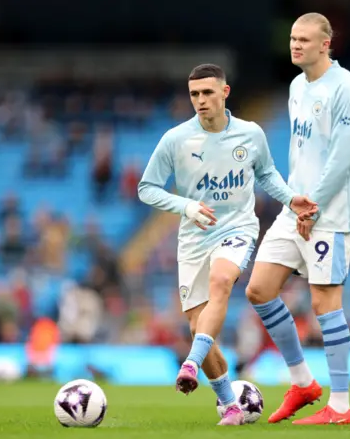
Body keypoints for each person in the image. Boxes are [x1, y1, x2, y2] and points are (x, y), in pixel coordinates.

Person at [137, 64, 317, 426]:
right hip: (192, 238)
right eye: (194, 94)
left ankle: (189, 362)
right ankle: (230, 405)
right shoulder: (176, 139)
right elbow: (147, 188)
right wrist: (186, 206)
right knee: (196, 326)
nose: (200, 101)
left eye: (207, 93)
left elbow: (266, 174)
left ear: (225, 92)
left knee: (222, 282)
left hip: (236, 229)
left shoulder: (250, 134)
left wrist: (290, 199)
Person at [245, 12, 350, 425]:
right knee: (260, 289)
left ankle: (340, 406)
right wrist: (297, 202)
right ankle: (302, 382)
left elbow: (344, 157)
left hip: (330, 215)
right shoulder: (297, 86)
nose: (295, 45)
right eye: (292, 38)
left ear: (325, 44)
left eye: (304, 39)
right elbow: (304, 153)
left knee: (323, 302)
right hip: (296, 208)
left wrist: (313, 205)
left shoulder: (348, 89)